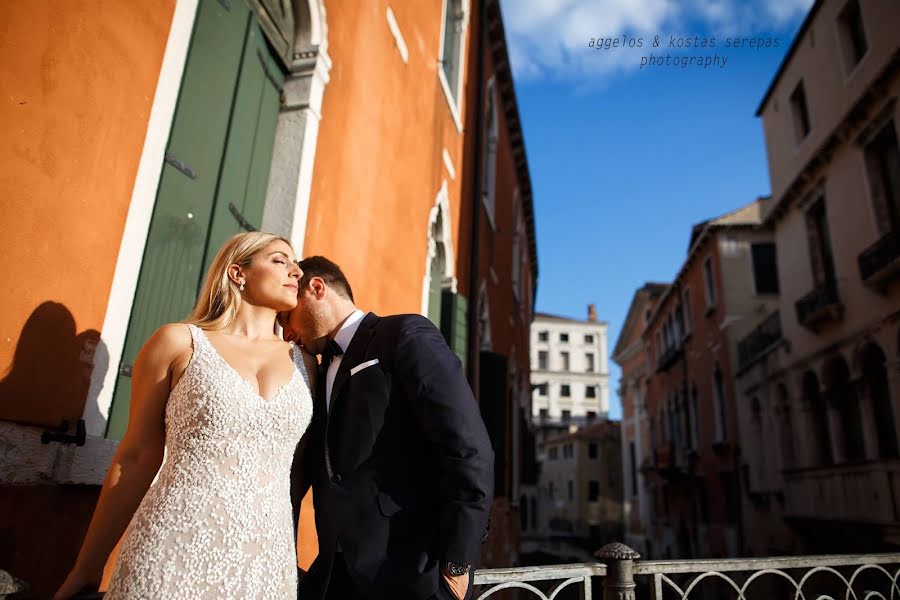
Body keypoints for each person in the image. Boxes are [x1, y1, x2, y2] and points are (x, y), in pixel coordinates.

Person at [54, 232, 317, 599]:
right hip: (173, 549)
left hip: (266, 565)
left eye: (295, 263)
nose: (296, 272)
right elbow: (135, 459)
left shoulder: (306, 364)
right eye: (279, 260)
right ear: (237, 273)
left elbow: (301, 472)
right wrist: (86, 568)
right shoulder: (178, 343)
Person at [281, 256, 494, 600]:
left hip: (414, 573)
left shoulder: (404, 334)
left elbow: (467, 447)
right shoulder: (313, 370)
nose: (287, 333)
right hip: (336, 578)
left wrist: (458, 561)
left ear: (316, 288)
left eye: (286, 317)